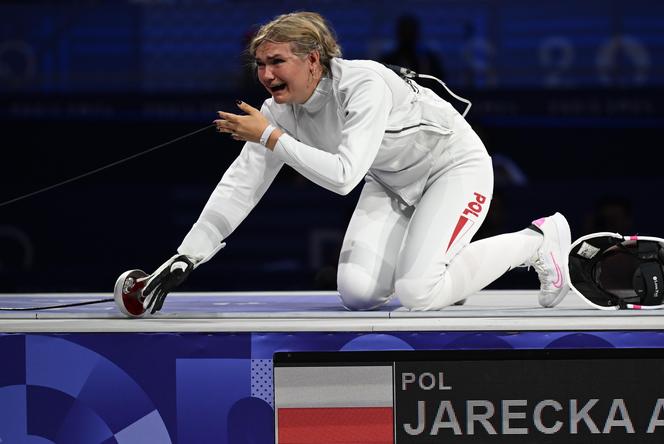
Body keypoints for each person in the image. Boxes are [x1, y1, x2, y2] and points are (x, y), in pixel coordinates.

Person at [141, 12, 571, 314]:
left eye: (277, 62)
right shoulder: (276, 112)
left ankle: (538, 240)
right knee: (359, 294)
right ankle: (444, 276)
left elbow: (345, 178)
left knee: (417, 291)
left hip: (453, 167)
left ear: (312, 59)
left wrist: (272, 138)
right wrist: (187, 256)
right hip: (391, 181)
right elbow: (240, 186)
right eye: (260, 65)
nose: (266, 75)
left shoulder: (362, 84)